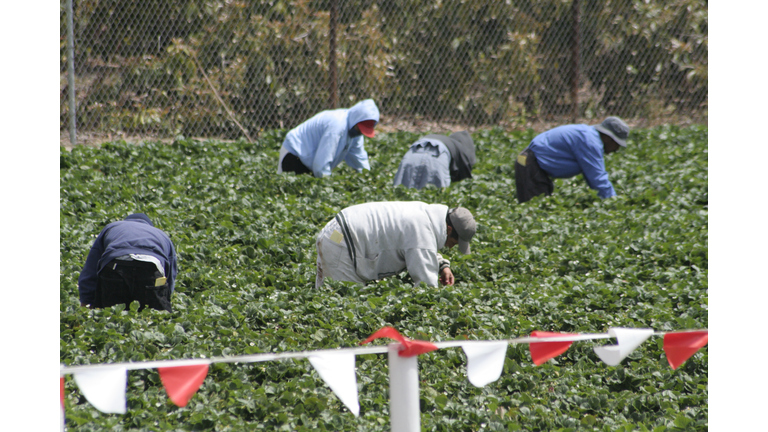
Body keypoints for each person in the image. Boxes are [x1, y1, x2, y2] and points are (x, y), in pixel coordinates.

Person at [315, 201, 476, 289]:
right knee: (342, 300)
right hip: (341, 241)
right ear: (448, 229)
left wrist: (442, 266)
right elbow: (427, 287)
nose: (451, 247)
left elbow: (419, 244)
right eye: (453, 243)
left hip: (338, 231)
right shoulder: (422, 231)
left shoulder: (426, 216)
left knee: (327, 295)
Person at [514, 116, 630, 203]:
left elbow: (593, 177)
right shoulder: (590, 141)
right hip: (530, 163)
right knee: (534, 209)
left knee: (539, 204)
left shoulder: (588, 135)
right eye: (617, 144)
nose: (616, 149)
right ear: (608, 138)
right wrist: (613, 202)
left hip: (529, 161)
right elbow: (597, 178)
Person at [78, 213, 178, 312]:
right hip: (150, 269)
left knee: (111, 316)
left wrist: (86, 302)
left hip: (116, 267)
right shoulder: (162, 235)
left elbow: (91, 269)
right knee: (154, 319)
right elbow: (170, 277)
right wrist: (164, 295)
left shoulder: (113, 227)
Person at [277, 99, 380, 178]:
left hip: (310, 161)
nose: (360, 132)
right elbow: (321, 163)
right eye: (360, 128)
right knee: (293, 192)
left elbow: (359, 157)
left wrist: (367, 177)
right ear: (356, 119)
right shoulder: (337, 126)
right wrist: (328, 186)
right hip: (295, 154)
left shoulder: (354, 131)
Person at [392, 131, 476, 189]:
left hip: (413, 153)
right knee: (435, 198)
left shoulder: (446, 140)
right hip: (438, 155)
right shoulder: (462, 149)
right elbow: (465, 177)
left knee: (402, 194)